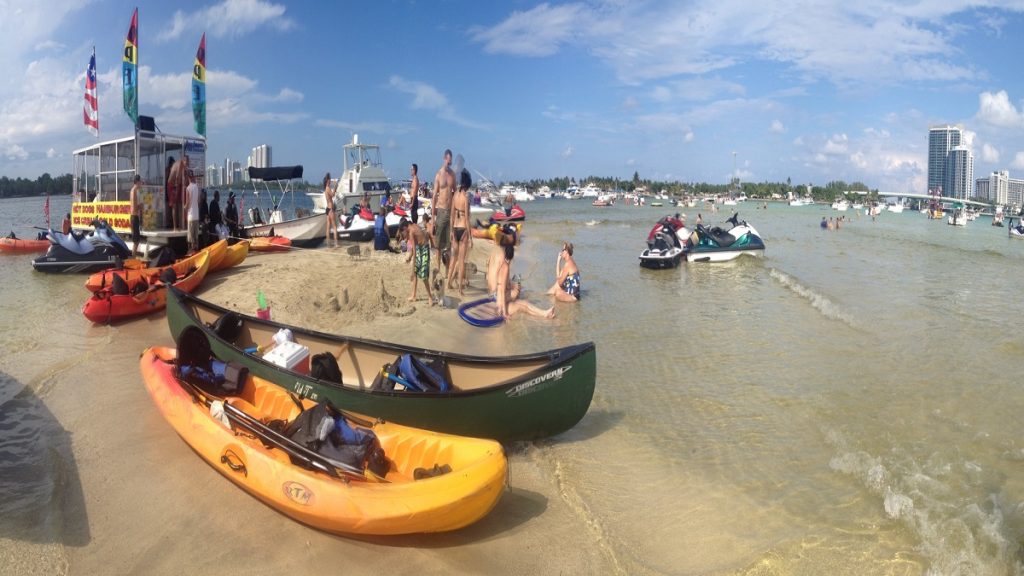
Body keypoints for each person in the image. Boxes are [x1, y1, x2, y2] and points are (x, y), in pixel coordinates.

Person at [496, 244, 554, 319]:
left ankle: (545, 313)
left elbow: (503, 286)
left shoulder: (504, 265)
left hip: (503, 303)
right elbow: (502, 291)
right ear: (512, 256)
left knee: (525, 303)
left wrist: (515, 286)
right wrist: (504, 313)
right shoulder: (505, 267)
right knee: (523, 307)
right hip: (502, 306)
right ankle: (544, 314)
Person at [431, 149, 456, 282]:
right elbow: (434, 196)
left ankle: (447, 272)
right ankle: (438, 269)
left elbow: (455, 193)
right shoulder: (438, 175)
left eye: (451, 160)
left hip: (450, 211)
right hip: (440, 211)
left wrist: (457, 213)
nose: (450, 162)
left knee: (449, 244)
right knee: (438, 245)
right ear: (444, 158)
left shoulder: (452, 175)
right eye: (449, 160)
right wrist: (432, 218)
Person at [448, 168, 472, 295]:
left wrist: (451, 232)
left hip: (455, 228)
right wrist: (471, 238)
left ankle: (448, 283)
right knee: (461, 261)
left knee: (453, 258)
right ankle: (460, 289)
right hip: (463, 230)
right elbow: (467, 219)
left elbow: (452, 215)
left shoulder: (455, 195)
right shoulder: (465, 197)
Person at [399, 218, 434, 305]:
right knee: (416, 271)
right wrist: (410, 257)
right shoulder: (414, 225)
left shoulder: (411, 232)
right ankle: (414, 295)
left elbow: (414, 251)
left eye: (402, 231)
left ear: (405, 228)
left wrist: (411, 271)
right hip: (420, 248)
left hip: (425, 249)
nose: (403, 234)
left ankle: (430, 297)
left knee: (423, 275)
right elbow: (419, 242)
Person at [184, 170, 201, 253]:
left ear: (188, 178)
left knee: (191, 237)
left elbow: (187, 203)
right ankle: (196, 250)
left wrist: (184, 208)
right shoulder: (196, 187)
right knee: (196, 235)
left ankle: (191, 251)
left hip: (190, 215)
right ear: (193, 177)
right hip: (196, 215)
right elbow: (198, 201)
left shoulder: (188, 189)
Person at [129, 174, 143, 255]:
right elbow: (134, 208)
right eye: (140, 182)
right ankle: (132, 258)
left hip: (134, 217)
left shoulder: (133, 190)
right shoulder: (134, 191)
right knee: (136, 242)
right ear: (137, 182)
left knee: (136, 241)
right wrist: (140, 207)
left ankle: (133, 257)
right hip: (134, 217)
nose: (141, 183)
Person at [323, 172, 337, 246]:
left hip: (327, 209)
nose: (330, 181)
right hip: (331, 209)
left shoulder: (326, 189)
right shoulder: (328, 188)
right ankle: (336, 244)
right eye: (329, 180)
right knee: (334, 227)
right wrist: (335, 187)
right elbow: (333, 195)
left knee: (328, 227)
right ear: (327, 181)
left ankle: (328, 244)